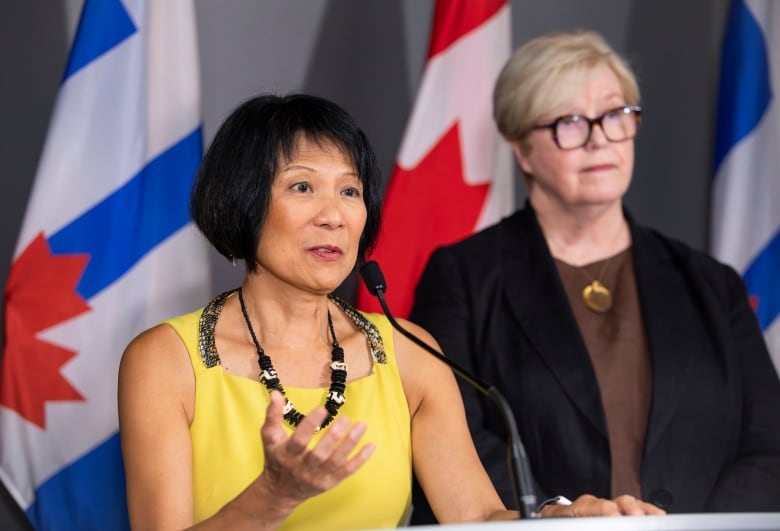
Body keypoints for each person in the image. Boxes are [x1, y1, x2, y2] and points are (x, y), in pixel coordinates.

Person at [118, 93, 662, 530]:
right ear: (241, 201)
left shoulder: (409, 353)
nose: (334, 216)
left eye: (350, 191)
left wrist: (560, 518)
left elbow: (474, 518)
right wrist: (274, 497)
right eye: (302, 187)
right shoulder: (167, 361)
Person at [410, 29, 780, 520]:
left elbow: (768, 443)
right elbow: (453, 435)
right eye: (570, 122)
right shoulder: (463, 278)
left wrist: (700, 530)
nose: (600, 139)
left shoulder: (712, 284)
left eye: (615, 114)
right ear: (521, 148)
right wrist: (555, 520)